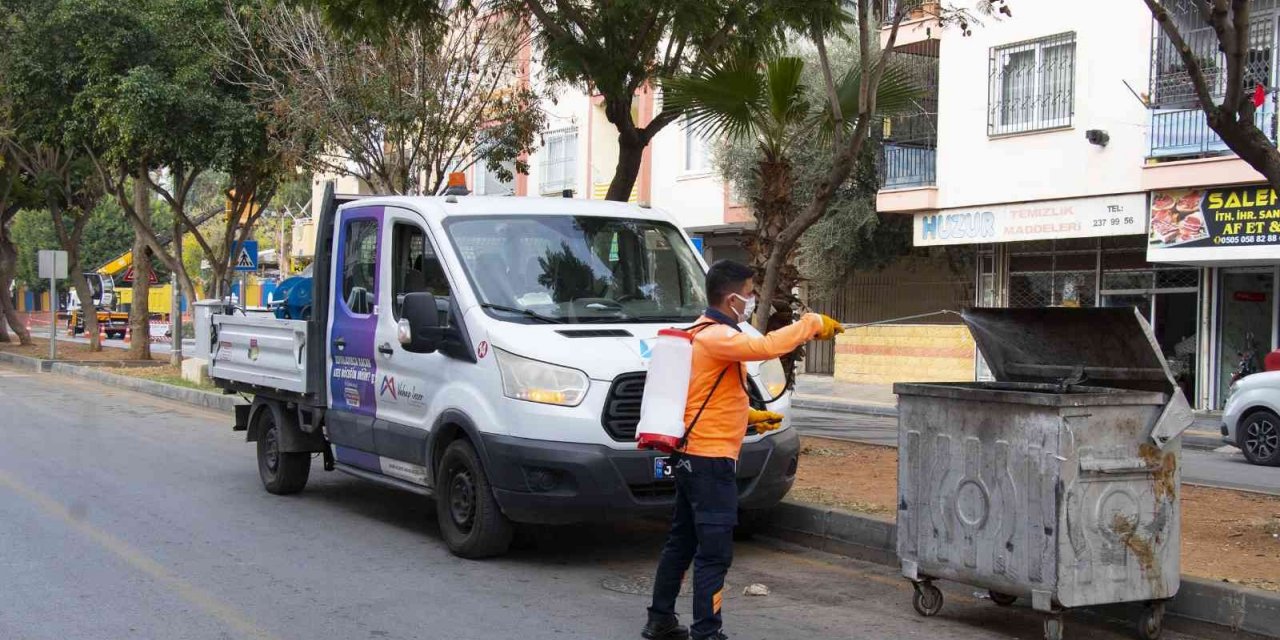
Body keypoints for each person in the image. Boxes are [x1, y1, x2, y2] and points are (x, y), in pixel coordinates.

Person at [642, 260, 843, 640]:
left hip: (691, 457)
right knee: (715, 552)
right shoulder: (718, 336)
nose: (751, 300)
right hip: (710, 462)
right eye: (749, 293)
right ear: (732, 297)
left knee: (682, 541)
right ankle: (706, 632)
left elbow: (704, 397)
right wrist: (810, 324)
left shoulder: (701, 334)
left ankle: (661, 619)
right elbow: (763, 347)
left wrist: (750, 416)